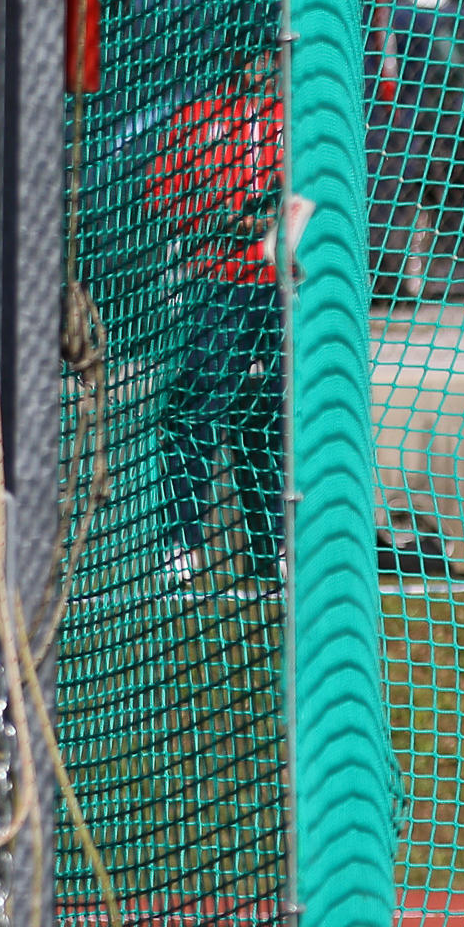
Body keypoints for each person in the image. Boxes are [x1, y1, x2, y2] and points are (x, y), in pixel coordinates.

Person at [147, 53, 287, 582]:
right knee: (200, 407)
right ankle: (181, 544)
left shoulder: (287, 120)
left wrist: (276, 221)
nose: (267, 64)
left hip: (276, 285)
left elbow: (313, 195)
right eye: (257, 53)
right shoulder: (199, 120)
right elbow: (161, 195)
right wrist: (216, 216)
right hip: (214, 282)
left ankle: (271, 548)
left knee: (270, 414)